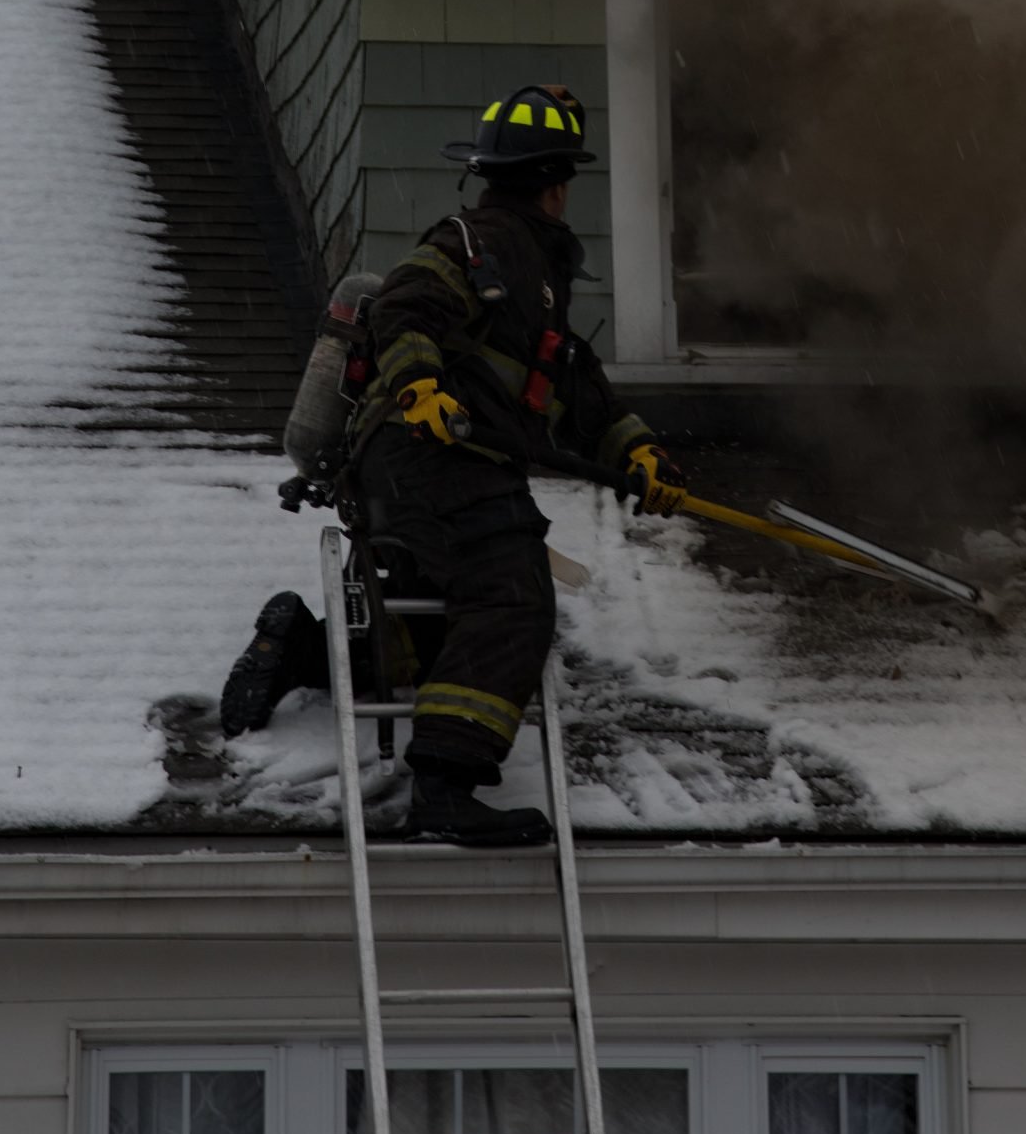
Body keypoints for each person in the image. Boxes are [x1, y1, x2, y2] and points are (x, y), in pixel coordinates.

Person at [222, 83, 686, 846]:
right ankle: (444, 785)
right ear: (556, 183)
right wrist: (421, 386)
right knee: (512, 601)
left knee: (438, 641)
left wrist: (638, 452)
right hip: (445, 459)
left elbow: (573, 384)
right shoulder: (484, 244)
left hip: (406, 476)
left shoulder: (531, 283)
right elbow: (405, 306)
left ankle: (298, 644)